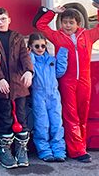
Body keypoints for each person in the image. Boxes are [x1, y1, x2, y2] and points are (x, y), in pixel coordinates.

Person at [33, 5, 98, 162]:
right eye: (65, 22)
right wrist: (53, 12)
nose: (67, 25)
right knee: (71, 115)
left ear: (78, 23)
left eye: (71, 22)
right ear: (60, 23)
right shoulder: (57, 37)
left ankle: (80, 145)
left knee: (83, 113)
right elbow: (40, 25)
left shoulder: (87, 35)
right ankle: (76, 151)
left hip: (84, 80)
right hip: (66, 82)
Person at [0, 7, 34, 168]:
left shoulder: (17, 36)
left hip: (19, 86)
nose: (0, 22)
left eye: (3, 19)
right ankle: (4, 151)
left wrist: (28, 71)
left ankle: (21, 150)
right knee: (5, 117)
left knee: (21, 117)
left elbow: (24, 56)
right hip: (1, 87)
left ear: (9, 19)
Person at [27, 31, 67, 163]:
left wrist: (62, 54)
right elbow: (30, 74)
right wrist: (29, 56)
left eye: (42, 46)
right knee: (42, 124)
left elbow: (59, 72)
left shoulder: (51, 60)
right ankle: (44, 151)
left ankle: (59, 150)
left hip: (54, 95)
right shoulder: (31, 62)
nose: (40, 49)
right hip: (39, 95)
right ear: (31, 47)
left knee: (56, 123)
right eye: (36, 46)